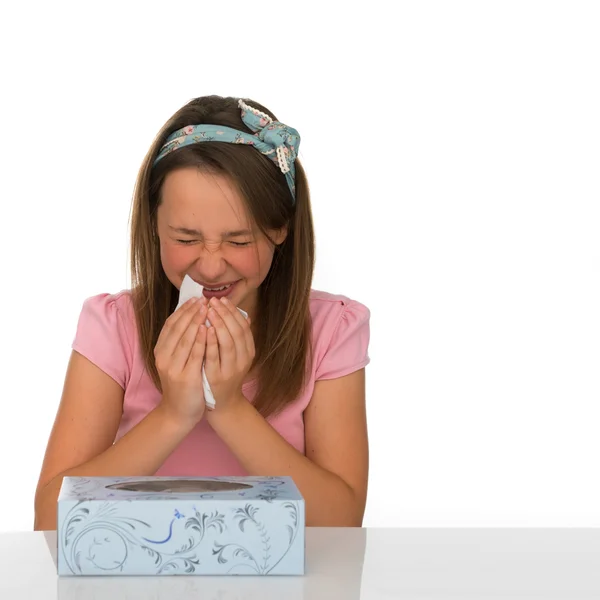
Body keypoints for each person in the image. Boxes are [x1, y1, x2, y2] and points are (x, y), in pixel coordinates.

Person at [33, 95, 371, 530]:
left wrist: (229, 407)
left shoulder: (331, 331)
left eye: (239, 241)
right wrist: (174, 413)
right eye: (187, 239)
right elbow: (49, 521)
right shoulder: (114, 327)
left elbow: (341, 524)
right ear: (154, 225)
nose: (211, 266)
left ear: (280, 228)